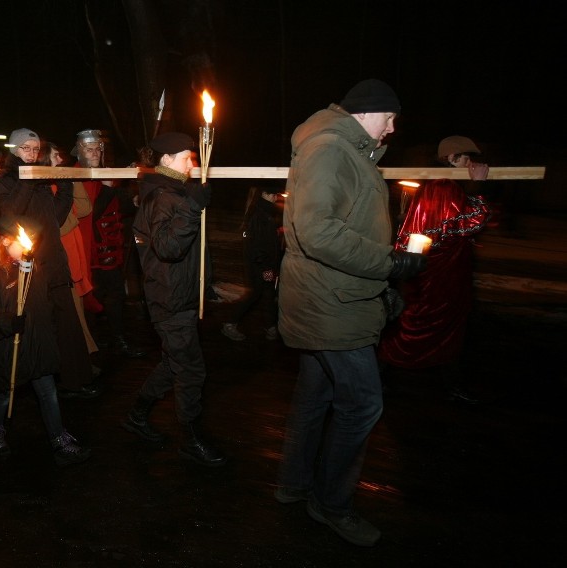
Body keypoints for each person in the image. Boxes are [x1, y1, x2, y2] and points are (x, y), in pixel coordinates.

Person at [272, 80, 426, 547]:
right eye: (390, 118)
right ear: (366, 114)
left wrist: (380, 288)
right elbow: (318, 232)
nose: (393, 128)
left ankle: (294, 484)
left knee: (315, 396)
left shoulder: (344, 149)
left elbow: (345, 222)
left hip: (332, 295)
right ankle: (331, 503)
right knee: (362, 405)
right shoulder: (332, 150)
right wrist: (389, 264)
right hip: (330, 304)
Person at [120, 131, 226, 467]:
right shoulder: (162, 197)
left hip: (179, 295)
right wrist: (193, 206)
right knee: (191, 371)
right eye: (186, 157)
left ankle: (137, 415)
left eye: (193, 157)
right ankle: (191, 439)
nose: (192, 163)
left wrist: (203, 282)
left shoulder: (172, 192)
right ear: (165, 160)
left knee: (174, 363)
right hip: (170, 300)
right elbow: (168, 248)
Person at [0, 225, 92, 466]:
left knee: (48, 392)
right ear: (5, 241)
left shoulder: (35, 270)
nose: (29, 246)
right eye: (22, 241)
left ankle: (58, 438)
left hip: (36, 347)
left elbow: (44, 307)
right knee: (4, 394)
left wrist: (49, 334)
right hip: (7, 351)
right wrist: (7, 322)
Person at [0, 128, 99, 399]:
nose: (32, 153)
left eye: (35, 149)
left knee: (67, 324)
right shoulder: (4, 180)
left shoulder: (38, 178)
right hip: (28, 266)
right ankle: (32, 383)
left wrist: (63, 185)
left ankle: (75, 380)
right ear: (14, 150)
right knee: (36, 328)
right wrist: (27, 182)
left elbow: (55, 218)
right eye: (26, 148)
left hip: (53, 263)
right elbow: (3, 218)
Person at [378, 172, 491, 403]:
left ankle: (452, 383)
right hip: (438, 280)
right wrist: (477, 185)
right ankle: (377, 376)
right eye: (466, 157)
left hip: (444, 278)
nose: (470, 163)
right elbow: (472, 220)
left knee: (441, 327)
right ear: (453, 158)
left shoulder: (436, 187)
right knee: (424, 325)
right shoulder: (443, 187)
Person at [72, 129, 145, 358]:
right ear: (80, 151)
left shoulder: (103, 173)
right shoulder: (76, 174)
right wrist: (109, 186)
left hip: (110, 248)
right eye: (89, 149)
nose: (94, 153)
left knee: (115, 294)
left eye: (97, 149)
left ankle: (117, 339)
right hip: (89, 249)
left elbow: (114, 207)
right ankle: (92, 344)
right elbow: (91, 212)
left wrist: (131, 202)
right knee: (92, 296)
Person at [39, 141, 100, 362]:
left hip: (73, 256)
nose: (60, 160)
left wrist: (72, 179)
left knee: (77, 311)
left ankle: (82, 358)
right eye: (56, 156)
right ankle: (79, 360)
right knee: (71, 315)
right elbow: (60, 223)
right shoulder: (45, 188)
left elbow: (84, 208)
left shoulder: (60, 184)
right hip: (60, 260)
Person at [220, 186, 284, 342]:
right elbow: (257, 246)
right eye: (273, 194)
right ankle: (230, 323)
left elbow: (265, 240)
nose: (276, 198)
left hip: (264, 265)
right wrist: (266, 268)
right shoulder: (260, 215)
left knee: (267, 293)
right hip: (261, 267)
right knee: (256, 294)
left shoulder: (265, 214)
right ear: (264, 194)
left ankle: (270, 328)